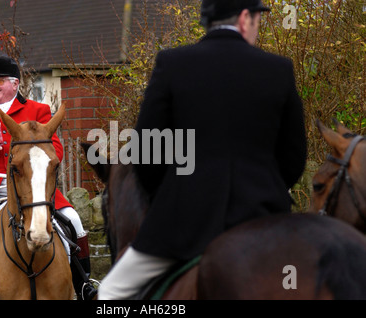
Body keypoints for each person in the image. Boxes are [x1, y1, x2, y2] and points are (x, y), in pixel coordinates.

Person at [98, 0, 307, 299]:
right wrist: (266, 188)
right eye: (258, 20)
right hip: (263, 220)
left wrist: (171, 197)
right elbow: (293, 157)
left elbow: (146, 152)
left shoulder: (172, 63)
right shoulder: (278, 69)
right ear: (245, 18)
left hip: (183, 223)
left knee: (110, 293)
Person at [0, 56, 97, 300]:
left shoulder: (38, 111)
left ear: (15, 83)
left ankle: (83, 285)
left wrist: (33, 154)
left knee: (74, 219)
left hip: (34, 188)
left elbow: (56, 151)